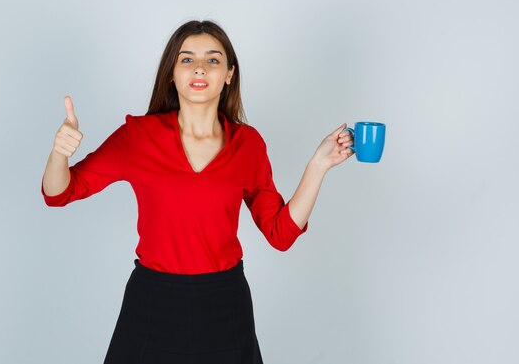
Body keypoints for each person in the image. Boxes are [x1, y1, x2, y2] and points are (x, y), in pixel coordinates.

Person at [41, 20, 354, 364]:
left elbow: (279, 233)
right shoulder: (138, 136)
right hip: (151, 305)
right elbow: (59, 192)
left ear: (229, 74)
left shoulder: (248, 144)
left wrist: (318, 165)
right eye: (187, 59)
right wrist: (59, 153)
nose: (200, 68)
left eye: (213, 60)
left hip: (225, 306)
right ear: (171, 75)